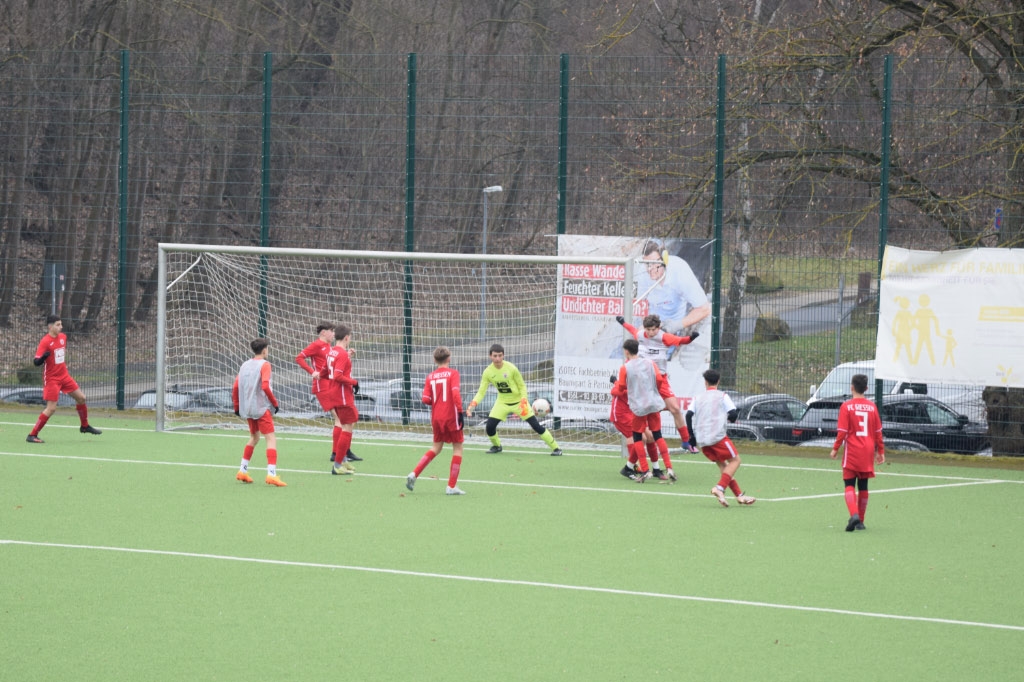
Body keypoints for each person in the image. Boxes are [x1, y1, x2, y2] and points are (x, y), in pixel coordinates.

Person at [615, 313, 699, 452]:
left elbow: (681, 340)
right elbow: (632, 330)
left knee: (675, 408)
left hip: (660, 378)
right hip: (644, 379)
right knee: (641, 412)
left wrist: (691, 338)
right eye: (648, 329)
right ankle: (642, 451)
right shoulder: (641, 335)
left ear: (658, 327)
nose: (650, 332)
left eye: (653, 329)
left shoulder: (664, 337)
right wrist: (623, 322)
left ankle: (686, 441)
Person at [466, 343, 562, 456]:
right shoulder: (488, 372)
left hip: (519, 403)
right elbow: (481, 391)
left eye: (500, 355)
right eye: (495, 356)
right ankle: (497, 446)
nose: (498, 358)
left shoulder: (511, 368)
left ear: (503, 355)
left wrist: (524, 401)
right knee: (490, 427)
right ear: (490, 356)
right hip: (502, 403)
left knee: (536, 426)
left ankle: (556, 448)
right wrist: (473, 405)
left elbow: (522, 386)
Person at [685, 369, 755, 507]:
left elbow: (688, 415)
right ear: (718, 381)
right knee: (736, 460)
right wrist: (728, 419)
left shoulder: (697, 397)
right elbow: (733, 414)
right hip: (718, 437)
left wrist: (691, 436)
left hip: (702, 440)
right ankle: (719, 488)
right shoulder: (722, 396)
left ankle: (739, 495)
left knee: (724, 466)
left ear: (705, 382)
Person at [26, 315, 101, 443]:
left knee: (81, 398)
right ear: (50, 327)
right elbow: (36, 362)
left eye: (61, 324)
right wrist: (43, 357)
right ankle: (32, 435)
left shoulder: (63, 337)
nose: (61, 327)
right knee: (51, 409)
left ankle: (84, 426)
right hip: (52, 379)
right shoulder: (45, 341)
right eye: (58, 325)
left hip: (64, 376)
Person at [296, 324, 362, 464]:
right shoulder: (316, 345)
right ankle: (337, 453)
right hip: (324, 386)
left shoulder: (332, 349)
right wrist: (313, 372)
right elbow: (299, 358)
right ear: (323, 332)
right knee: (340, 420)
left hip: (331, 385)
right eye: (331, 331)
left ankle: (343, 451)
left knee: (344, 421)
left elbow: (333, 364)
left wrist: (346, 355)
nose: (333, 334)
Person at [612, 339, 676, 483]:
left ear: (626, 351)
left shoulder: (625, 368)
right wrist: (653, 391)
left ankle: (647, 470)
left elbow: (621, 387)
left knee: (638, 438)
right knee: (657, 435)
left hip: (639, 407)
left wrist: (619, 386)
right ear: (638, 349)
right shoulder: (650, 363)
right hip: (653, 404)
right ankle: (668, 467)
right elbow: (659, 379)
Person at [406, 346, 467, 495]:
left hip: (436, 417)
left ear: (434, 360)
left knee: (436, 448)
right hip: (451, 416)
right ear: (449, 358)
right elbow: (455, 394)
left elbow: (425, 399)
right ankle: (451, 486)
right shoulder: (453, 373)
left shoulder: (430, 376)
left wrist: (437, 399)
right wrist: (460, 411)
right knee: (458, 448)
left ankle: (414, 474)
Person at [829, 373, 885, 532]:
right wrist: (880, 450)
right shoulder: (872, 407)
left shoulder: (846, 406)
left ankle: (854, 515)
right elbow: (878, 431)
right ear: (866, 388)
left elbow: (842, 431)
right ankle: (861, 521)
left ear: (851, 387)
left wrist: (835, 448)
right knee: (863, 485)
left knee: (849, 484)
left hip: (852, 450)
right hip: (867, 450)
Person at [232, 338, 286, 487]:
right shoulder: (265, 364)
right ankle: (271, 474)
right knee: (271, 438)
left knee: (254, 437)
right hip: (260, 408)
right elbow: (265, 386)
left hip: (247, 408)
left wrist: (237, 406)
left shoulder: (245, 365)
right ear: (264, 350)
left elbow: (236, 386)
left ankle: (242, 470)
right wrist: (274, 403)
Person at [610, 373, 667, 481]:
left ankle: (656, 469)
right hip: (621, 415)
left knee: (650, 436)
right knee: (640, 438)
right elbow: (614, 391)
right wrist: (622, 387)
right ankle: (631, 467)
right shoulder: (630, 381)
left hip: (634, 413)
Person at [321, 324, 360, 476]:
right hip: (342, 395)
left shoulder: (332, 352)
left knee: (347, 424)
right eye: (350, 337)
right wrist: (354, 382)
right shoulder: (341, 354)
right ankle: (338, 465)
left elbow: (324, 372)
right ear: (346, 338)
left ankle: (342, 460)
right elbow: (337, 376)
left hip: (334, 393)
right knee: (347, 427)